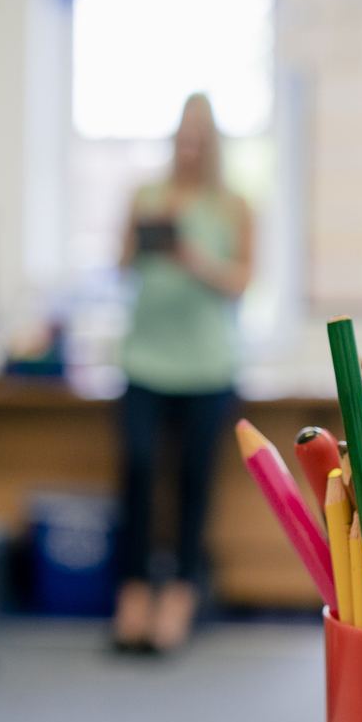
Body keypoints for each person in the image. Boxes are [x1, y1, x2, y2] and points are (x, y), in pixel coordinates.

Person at [111, 93, 254, 653]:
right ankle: (134, 593)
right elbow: (121, 267)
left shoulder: (233, 206)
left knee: (194, 482)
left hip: (207, 366)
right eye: (182, 137)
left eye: (199, 138)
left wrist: (196, 258)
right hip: (145, 360)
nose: (189, 147)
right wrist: (139, 240)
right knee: (138, 471)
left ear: (211, 143)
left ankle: (180, 596)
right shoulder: (147, 197)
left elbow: (243, 281)